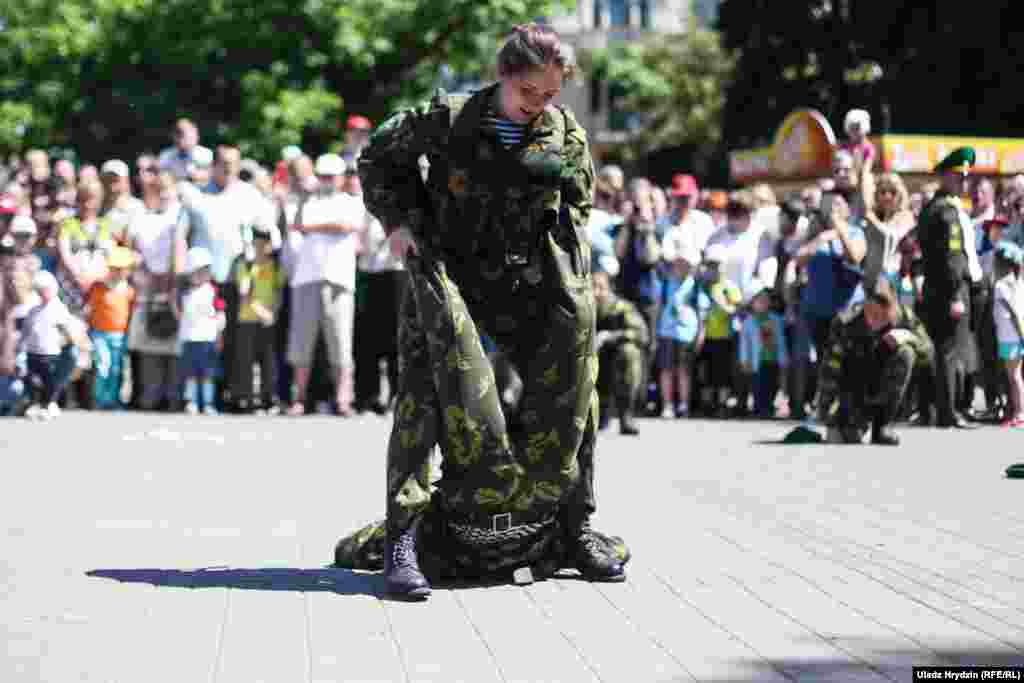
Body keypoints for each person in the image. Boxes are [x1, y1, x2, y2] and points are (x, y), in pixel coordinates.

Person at [337, 23, 630, 599]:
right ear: (504, 77)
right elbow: (378, 159)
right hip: (450, 275)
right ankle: (404, 538)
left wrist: (570, 278)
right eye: (529, 95)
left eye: (550, 96)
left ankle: (573, 526)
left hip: (524, 285)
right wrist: (399, 224)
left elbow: (578, 206)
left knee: (576, 385)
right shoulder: (447, 118)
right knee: (423, 393)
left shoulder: (565, 133)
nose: (539, 107)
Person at [285, 153, 364, 417]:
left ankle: (343, 400)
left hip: (339, 279)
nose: (326, 180)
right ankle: (298, 399)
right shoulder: (308, 201)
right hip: (306, 278)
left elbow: (345, 226)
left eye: (331, 176)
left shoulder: (351, 201)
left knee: (340, 343)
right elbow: (297, 225)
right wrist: (306, 201)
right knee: (301, 344)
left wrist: (314, 226)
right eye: (322, 175)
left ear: (341, 177)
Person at [817, 278, 933, 445]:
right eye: (870, 313)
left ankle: (883, 426)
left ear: (892, 308)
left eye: (881, 315)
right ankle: (851, 421)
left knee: (906, 353)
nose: (875, 320)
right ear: (864, 305)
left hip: (885, 387)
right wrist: (825, 409)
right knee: (842, 438)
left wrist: (910, 338)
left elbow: (928, 355)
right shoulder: (846, 322)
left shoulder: (904, 317)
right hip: (853, 388)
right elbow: (830, 366)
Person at [916, 147, 983, 429]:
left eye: (965, 177)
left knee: (947, 349)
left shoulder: (938, 207)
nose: (963, 182)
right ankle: (948, 412)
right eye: (958, 176)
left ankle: (939, 409)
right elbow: (952, 259)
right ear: (944, 176)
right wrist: (956, 294)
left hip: (941, 287)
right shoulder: (946, 212)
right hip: (951, 289)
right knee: (949, 351)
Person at [18, 270, 91, 419]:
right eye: (40, 290)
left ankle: (49, 403)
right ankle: (35, 403)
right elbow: (25, 334)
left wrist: (77, 344)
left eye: (46, 289)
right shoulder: (33, 311)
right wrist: (20, 350)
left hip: (53, 354)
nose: (43, 293)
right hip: (33, 354)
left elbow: (72, 332)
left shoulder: (59, 309)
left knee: (52, 380)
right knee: (31, 378)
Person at [232, 226, 285, 413]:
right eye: (257, 244)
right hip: (248, 319)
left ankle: (267, 399)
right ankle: (246, 399)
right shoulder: (244, 265)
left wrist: (273, 313)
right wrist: (263, 313)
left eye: (265, 244)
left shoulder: (276, 266)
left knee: (268, 362)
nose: (261, 248)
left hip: (269, 321)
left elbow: (278, 291)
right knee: (246, 362)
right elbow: (244, 293)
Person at [592, 270, 648, 435]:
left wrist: (610, 336)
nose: (596, 292)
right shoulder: (582, 308)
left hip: (615, 359)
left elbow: (642, 334)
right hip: (590, 360)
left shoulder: (621, 308)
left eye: (601, 287)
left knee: (629, 353)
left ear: (609, 288)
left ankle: (626, 415)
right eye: (592, 287)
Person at [655, 246, 708, 419]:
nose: (680, 267)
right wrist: (655, 331)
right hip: (666, 332)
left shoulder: (695, 286)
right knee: (666, 370)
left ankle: (684, 404)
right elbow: (658, 307)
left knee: (684, 371)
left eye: (685, 264)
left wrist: (700, 333)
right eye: (678, 264)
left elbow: (701, 312)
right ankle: (667, 404)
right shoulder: (665, 284)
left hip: (686, 334)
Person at [84, 246, 136, 409]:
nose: (118, 272)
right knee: (103, 366)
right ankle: (98, 399)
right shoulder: (99, 288)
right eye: (115, 268)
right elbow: (89, 310)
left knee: (115, 369)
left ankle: (111, 400)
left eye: (122, 269)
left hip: (120, 335)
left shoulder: (129, 290)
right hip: (99, 334)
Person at [174, 247, 224, 415]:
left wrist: (219, 335)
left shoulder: (213, 291)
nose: (200, 275)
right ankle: (192, 401)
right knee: (191, 374)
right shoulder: (184, 293)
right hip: (189, 339)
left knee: (208, 374)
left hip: (208, 339)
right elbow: (180, 315)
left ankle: (208, 403)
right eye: (196, 271)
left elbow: (219, 314)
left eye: (204, 271)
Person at [695, 243, 742, 417]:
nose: (713, 270)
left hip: (724, 337)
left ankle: (721, 405)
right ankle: (706, 405)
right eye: (710, 266)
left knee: (722, 373)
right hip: (706, 336)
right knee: (706, 373)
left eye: (717, 265)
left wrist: (721, 302)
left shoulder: (729, 287)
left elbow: (737, 310)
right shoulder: (702, 286)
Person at [738, 282, 788, 418]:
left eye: (766, 300)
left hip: (773, 359)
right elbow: (744, 343)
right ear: (752, 303)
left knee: (772, 384)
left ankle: (769, 407)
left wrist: (783, 358)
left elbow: (780, 340)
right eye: (759, 300)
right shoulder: (749, 321)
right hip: (757, 361)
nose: (763, 303)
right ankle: (759, 408)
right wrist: (744, 360)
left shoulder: (776, 320)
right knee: (758, 385)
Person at [992, 241, 1024, 427]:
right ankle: (1017, 412)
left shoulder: (1002, 285)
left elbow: (1014, 313)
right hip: (1011, 336)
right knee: (1014, 377)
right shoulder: (1016, 283)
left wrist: (1021, 335)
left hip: (1011, 337)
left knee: (1014, 377)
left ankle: (1020, 413)